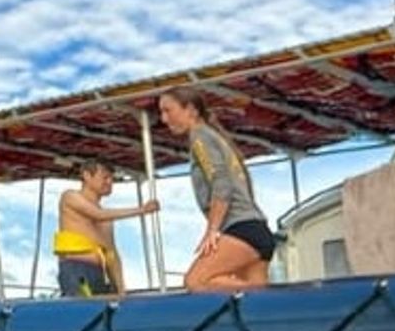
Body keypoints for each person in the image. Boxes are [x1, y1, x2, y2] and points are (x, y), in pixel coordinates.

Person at [157, 87, 278, 291]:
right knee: (254, 300)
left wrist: (212, 230)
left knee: (196, 281)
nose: (163, 118)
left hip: (241, 229)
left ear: (191, 110)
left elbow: (221, 182)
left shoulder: (200, 137)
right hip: (256, 228)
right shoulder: (213, 137)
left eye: (168, 110)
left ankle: (277, 298)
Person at [54, 160, 159, 296]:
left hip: (98, 272)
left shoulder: (107, 219)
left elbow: (111, 254)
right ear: (86, 175)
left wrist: (121, 289)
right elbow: (97, 215)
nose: (110, 182)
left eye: (112, 178)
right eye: (105, 177)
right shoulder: (70, 197)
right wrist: (142, 210)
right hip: (76, 269)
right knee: (83, 311)